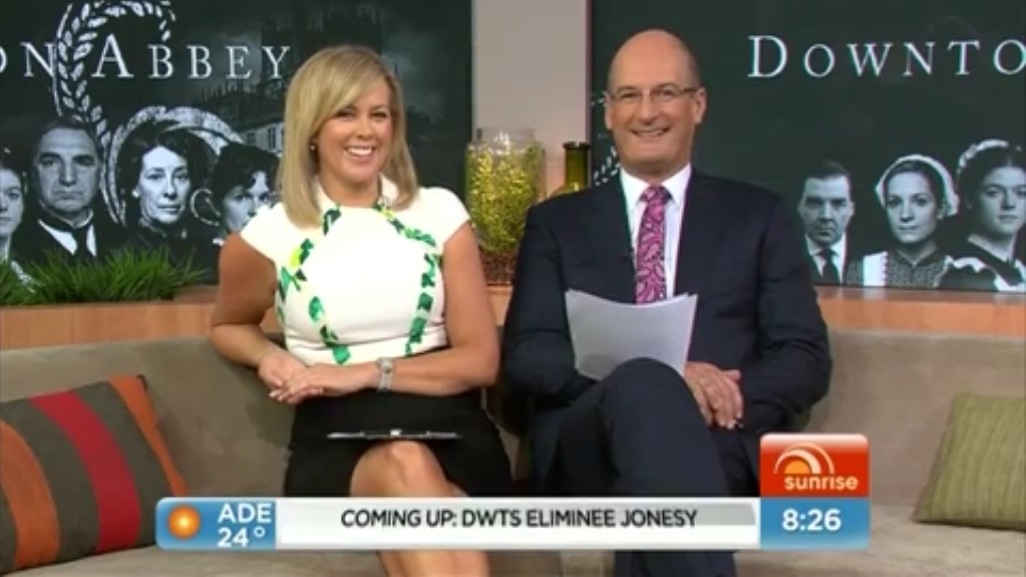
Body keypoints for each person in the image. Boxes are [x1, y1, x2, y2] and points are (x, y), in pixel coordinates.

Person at [501, 29, 831, 577]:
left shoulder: (758, 217)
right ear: (609, 113)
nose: (647, 112)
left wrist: (715, 397)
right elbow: (529, 355)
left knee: (658, 473)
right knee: (645, 385)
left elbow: (803, 357)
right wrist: (664, 382)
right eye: (629, 96)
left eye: (666, 93)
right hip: (590, 444)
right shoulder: (556, 224)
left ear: (697, 106)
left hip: (716, 443)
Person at [208, 45, 511, 577]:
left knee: (417, 478)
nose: (366, 131)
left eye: (379, 114)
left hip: (450, 431)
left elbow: (481, 361)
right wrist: (268, 358)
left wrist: (364, 373)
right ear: (312, 127)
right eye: (346, 114)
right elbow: (228, 325)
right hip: (338, 441)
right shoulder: (267, 237)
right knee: (406, 467)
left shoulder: (440, 214)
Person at [844, 154, 958, 288]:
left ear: (941, 208)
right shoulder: (862, 271)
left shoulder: (960, 272)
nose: (905, 215)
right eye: (895, 203)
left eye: (920, 202)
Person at [939, 139, 1025, 292]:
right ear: (969, 199)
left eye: (1021, 193)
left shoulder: (1018, 269)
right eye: (994, 193)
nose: (1009, 203)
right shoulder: (967, 274)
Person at [795, 160, 856, 285]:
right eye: (815, 204)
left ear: (851, 209)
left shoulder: (874, 261)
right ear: (800, 207)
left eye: (837, 204)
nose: (826, 216)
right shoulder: (779, 260)